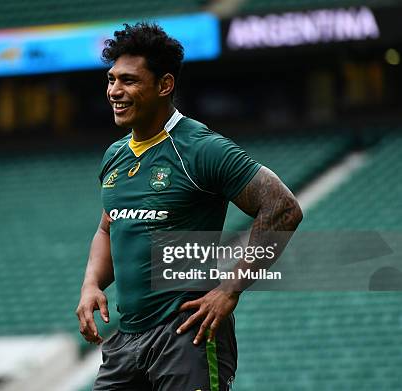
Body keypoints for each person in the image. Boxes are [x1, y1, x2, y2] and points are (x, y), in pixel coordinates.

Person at [75, 22, 303, 391]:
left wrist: (230, 289)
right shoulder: (114, 156)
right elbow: (108, 227)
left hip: (186, 337)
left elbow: (283, 208)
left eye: (129, 81)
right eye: (112, 79)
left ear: (165, 85)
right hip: (127, 338)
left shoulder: (201, 149)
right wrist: (91, 284)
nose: (114, 91)